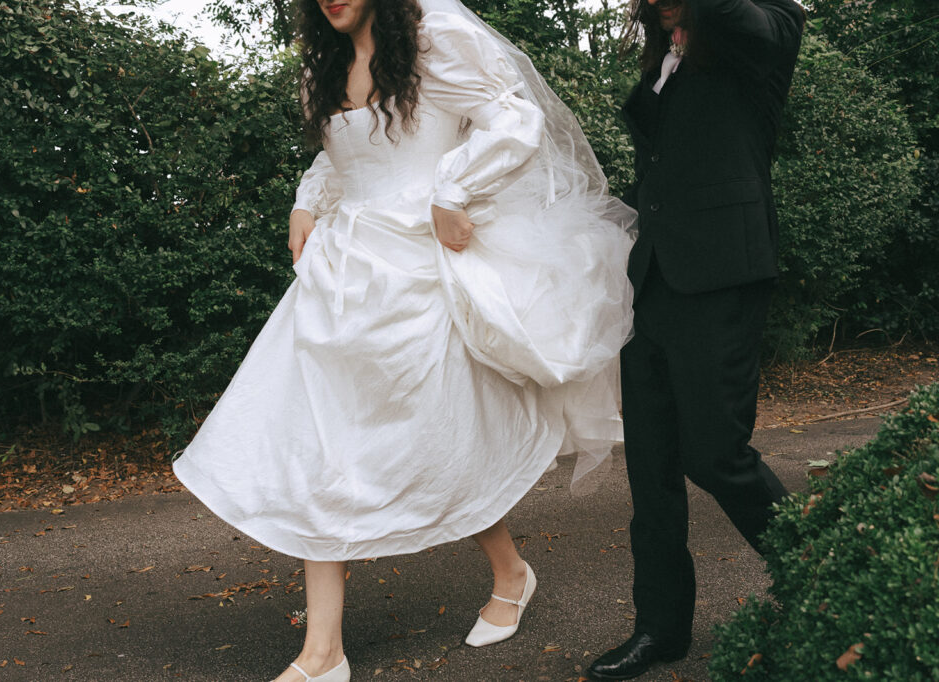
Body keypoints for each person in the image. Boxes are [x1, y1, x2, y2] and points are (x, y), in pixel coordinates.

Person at [171, 1, 636, 680]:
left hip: (420, 273)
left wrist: (452, 190)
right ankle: (322, 653)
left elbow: (514, 118)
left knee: (437, 446)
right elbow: (343, 160)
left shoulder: (433, 40)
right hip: (338, 279)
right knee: (318, 448)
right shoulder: (323, 66)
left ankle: (511, 572)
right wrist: (308, 199)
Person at [585, 0, 805, 680]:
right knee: (650, 469)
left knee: (716, 454)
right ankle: (660, 629)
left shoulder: (764, 28)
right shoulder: (666, 59)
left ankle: (821, 572)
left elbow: (750, 22)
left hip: (722, 275)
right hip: (654, 282)